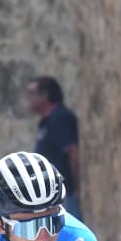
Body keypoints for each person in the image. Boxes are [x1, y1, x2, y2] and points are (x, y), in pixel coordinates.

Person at [27, 76, 82, 222]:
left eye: (32, 93)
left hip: (63, 195)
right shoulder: (46, 122)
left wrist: (76, 189)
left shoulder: (60, 118)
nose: (29, 98)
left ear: (45, 95)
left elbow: (73, 152)